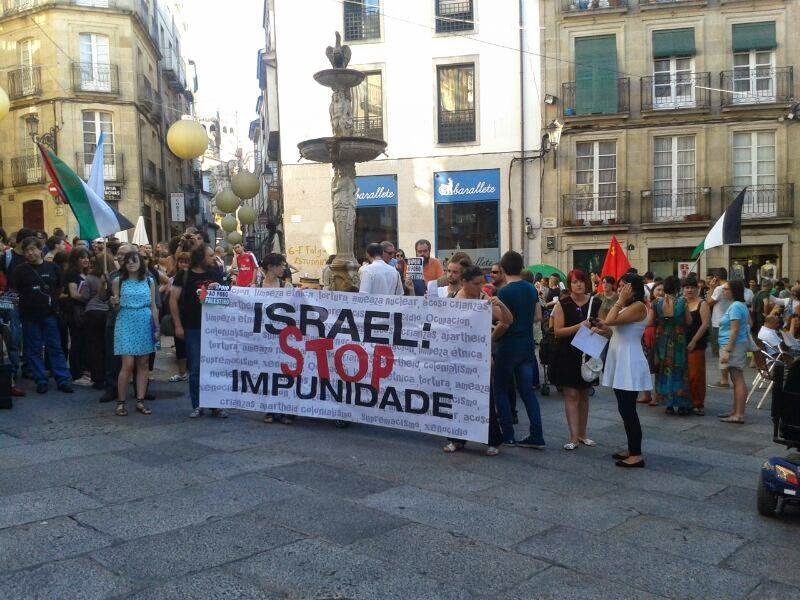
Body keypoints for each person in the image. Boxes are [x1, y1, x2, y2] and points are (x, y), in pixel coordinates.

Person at [442, 265, 512, 456]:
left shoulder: (483, 299)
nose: (481, 287)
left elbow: (507, 321)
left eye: (482, 283)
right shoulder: (452, 299)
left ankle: (493, 440)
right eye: (476, 283)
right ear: (464, 282)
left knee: (484, 399)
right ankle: (456, 439)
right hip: (457, 358)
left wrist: (500, 305)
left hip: (478, 359)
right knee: (457, 399)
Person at [492, 251, 545, 448]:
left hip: (508, 346)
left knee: (500, 389)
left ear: (503, 269)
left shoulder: (504, 292)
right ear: (521, 267)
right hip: (527, 345)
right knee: (527, 392)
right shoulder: (531, 288)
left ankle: (508, 434)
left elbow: (504, 323)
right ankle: (537, 435)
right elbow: (537, 316)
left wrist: (491, 337)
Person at [10, 237, 73, 394]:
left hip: (50, 314)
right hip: (29, 316)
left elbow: (60, 287)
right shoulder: (19, 271)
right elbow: (14, 291)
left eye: (33, 249)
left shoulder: (52, 268)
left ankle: (63, 379)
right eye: (26, 250)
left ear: (40, 249)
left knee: (55, 347)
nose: (30, 253)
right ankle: (41, 380)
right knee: (33, 349)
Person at [170, 244, 226, 418]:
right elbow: (173, 300)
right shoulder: (184, 275)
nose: (213, 258)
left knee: (214, 366)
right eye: (210, 255)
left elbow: (227, 297)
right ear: (200, 257)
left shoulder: (215, 273)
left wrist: (220, 288)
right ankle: (198, 404)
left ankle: (215, 404)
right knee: (195, 368)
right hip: (193, 327)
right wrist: (178, 325)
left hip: (214, 328)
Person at [600, 273, 649, 468]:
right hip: (620, 357)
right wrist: (600, 327)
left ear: (633, 289)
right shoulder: (628, 306)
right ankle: (632, 448)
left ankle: (636, 454)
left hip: (629, 359)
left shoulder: (638, 306)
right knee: (623, 407)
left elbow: (611, 320)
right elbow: (613, 327)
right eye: (619, 286)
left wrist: (619, 301)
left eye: (623, 286)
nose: (619, 289)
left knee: (628, 409)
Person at [552, 269, 599, 450]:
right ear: (569, 285)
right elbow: (558, 331)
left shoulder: (595, 302)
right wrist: (579, 326)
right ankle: (573, 437)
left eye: (581, 281)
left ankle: (583, 434)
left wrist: (598, 329)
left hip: (587, 352)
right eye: (574, 282)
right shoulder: (562, 304)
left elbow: (604, 326)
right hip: (568, 353)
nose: (579, 284)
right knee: (571, 394)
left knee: (584, 394)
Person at [112, 251, 158, 417]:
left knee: (143, 363)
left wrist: (156, 327)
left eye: (134, 260)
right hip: (125, 320)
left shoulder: (149, 281)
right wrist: (114, 302)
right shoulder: (118, 281)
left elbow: (153, 306)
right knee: (127, 364)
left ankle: (140, 400)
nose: (131, 263)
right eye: (128, 261)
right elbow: (116, 308)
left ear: (140, 263)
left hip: (144, 321)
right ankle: (121, 402)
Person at [653, 276, 691, 415]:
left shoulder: (657, 303)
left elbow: (651, 321)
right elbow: (689, 321)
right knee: (679, 369)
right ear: (677, 288)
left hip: (662, 338)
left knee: (664, 369)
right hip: (678, 339)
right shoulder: (682, 302)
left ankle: (668, 404)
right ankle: (681, 404)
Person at [718, 279, 750, 424]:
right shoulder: (740, 305)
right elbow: (749, 324)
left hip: (734, 346)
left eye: (726, 289)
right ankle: (735, 410)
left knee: (737, 378)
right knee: (736, 379)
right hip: (737, 345)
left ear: (734, 291)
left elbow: (735, 330)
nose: (723, 291)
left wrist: (728, 350)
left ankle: (738, 414)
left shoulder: (736, 306)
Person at [63, 248, 92, 385]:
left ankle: (84, 369)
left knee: (85, 341)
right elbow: (74, 294)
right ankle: (76, 373)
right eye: (82, 257)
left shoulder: (86, 273)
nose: (86, 260)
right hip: (75, 311)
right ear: (75, 260)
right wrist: (89, 298)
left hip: (85, 311)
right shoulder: (72, 273)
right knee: (77, 341)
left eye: (87, 257)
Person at [682, 274, 710, 415]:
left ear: (697, 289)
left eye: (692, 287)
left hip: (697, 344)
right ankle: (685, 401)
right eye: (687, 287)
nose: (689, 290)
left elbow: (705, 324)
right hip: (681, 343)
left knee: (696, 375)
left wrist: (694, 341)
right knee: (684, 375)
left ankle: (697, 403)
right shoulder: (681, 302)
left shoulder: (702, 303)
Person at [84, 253, 110, 389]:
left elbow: (85, 296)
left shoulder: (89, 278)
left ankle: (98, 378)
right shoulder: (114, 277)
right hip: (108, 312)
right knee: (107, 346)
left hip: (92, 312)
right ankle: (109, 375)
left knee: (95, 346)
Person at [707, 270, 731, 386]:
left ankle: (724, 379)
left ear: (716, 277)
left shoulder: (719, 288)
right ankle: (727, 377)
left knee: (721, 351)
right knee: (726, 350)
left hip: (718, 322)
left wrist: (711, 288)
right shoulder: (731, 286)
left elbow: (708, 302)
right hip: (730, 320)